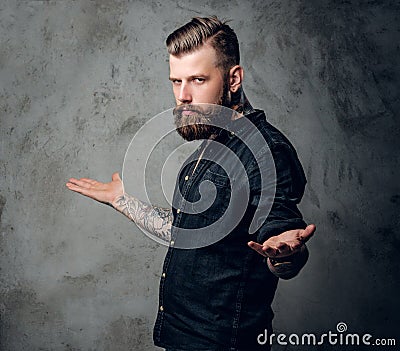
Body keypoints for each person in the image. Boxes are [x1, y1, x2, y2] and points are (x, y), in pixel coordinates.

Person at [66, 16, 316, 351]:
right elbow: (188, 232)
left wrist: (284, 253)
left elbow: (279, 229)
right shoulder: (209, 145)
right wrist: (123, 200)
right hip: (182, 338)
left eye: (198, 80)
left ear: (234, 79)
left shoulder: (264, 151)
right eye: (176, 81)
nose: (183, 96)